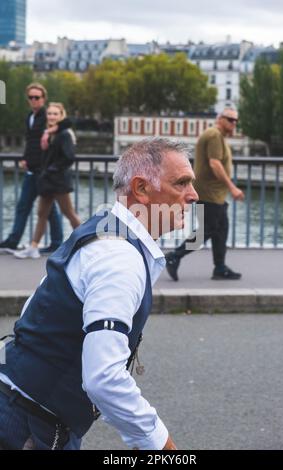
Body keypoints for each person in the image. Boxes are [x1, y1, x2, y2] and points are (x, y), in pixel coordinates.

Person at [0, 138, 198, 450]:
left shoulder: (101, 231)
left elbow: (34, 312)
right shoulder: (119, 257)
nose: (193, 195)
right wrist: (159, 443)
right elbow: (103, 378)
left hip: (24, 407)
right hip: (29, 425)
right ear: (142, 189)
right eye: (182, 183)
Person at [165, 108, 244, 281]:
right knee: (207, 230)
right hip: (209, 193)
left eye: (236, 120)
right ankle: (174, 256)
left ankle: (220, 268)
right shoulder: (214, 135)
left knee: (220, 229)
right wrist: (232, 188)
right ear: (220, 119)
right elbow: (215, 164)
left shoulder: (218, 136)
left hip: (215, 194)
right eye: (230, 119)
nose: (234, 123)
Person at [0, 83, 63, 255]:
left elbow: (66, 123)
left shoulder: (47, 115)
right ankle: (14, 241)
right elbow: (31, 142)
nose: (34, 100)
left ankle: (57, 243)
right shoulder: (30, 116)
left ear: (43, 99)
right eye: (31, 97)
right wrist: (24, 158)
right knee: (24, 206)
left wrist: (53, 129)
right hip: (32, 169)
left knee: (50, 210)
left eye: (37, 97)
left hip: (43, 171)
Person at [14, 103, 81, 259]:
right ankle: (33, 247)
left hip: (58, 181)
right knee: (41, 213)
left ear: (61, 115)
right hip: (48, 181)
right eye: (50, 113)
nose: (51, 116)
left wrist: (51, 170)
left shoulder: (64, 134)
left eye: (55, 114)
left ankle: (88, 243)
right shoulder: (49, 133)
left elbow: (69, 157)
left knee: (69, 213)